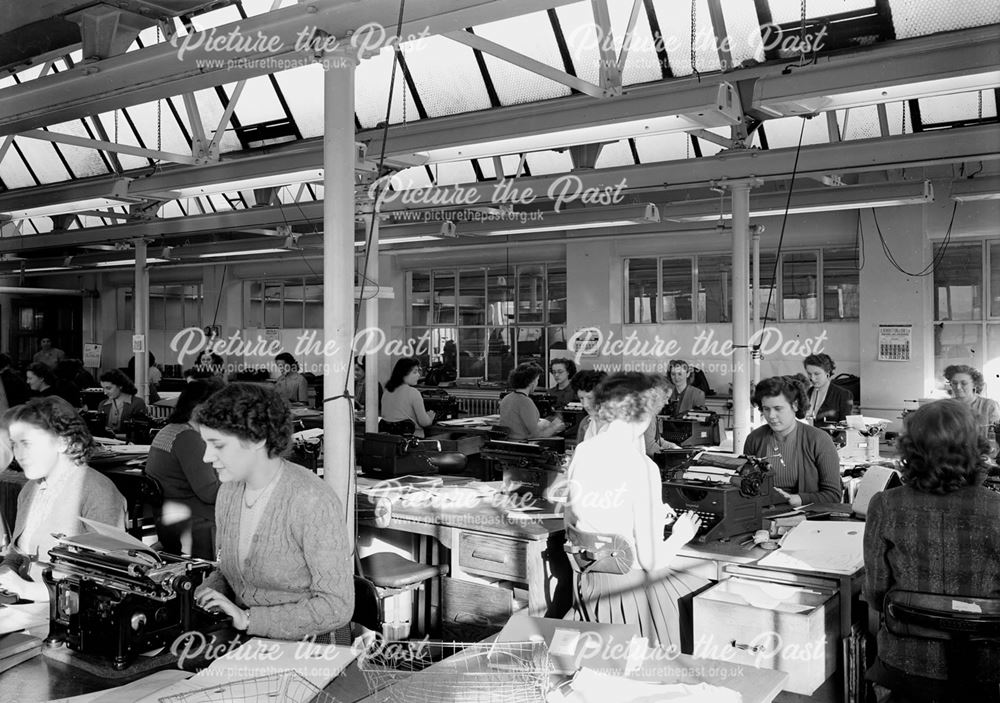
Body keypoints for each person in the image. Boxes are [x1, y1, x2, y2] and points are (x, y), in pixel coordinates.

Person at [193, 383, 353, 640]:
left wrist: (248, 619)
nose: (206, 457)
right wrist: (204, 594)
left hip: (313, 646)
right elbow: (226, 570)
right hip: (251, 639)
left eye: (218, 445)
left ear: (257, 439)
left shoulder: (311, 499)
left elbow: (337, 606)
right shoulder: (229, 492)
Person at [864, 400, 1000, 700]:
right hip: (984, 668)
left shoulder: (885, 504)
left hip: (903, 667)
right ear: (976, 448)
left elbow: (875, 595)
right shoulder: (996, 510)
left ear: (910, 449)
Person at [565, 372, 706, 651]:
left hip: (589, 585)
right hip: (630, 594)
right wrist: (680, 534)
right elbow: (653, 561)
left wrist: (650, 512)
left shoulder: (583, 451)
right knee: (706, 590)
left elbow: (578, 516)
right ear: (645, 415)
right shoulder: (642, 467)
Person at [0, 397, 126, 601]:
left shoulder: (99, 492)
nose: (18, 455)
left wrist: (27, 590)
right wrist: (6, 571)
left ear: (63, 442)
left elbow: (107, 579)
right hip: (24, 602)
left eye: (27, 443)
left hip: (68, 615)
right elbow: (18, 551)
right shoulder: (31, 489)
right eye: (15, 445)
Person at [145, 378, 225, 560]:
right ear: (199, 409)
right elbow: (210, 493)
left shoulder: (169, 430)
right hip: (196, 522)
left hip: (169, 519)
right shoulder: (189, 439)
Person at [743, 375, 842, 506]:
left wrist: (798, 499)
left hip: (806, 517)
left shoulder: (819, 440)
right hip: (763, 515)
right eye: (766, 409)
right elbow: (745, 487)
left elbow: (833, 495)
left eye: (778, 409)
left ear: (795, 405)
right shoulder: (754, 439)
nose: (771, 416)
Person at [498, 363, 565, 440]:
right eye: (537, 380)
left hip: (508, 441)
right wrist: (555, 426)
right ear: (531, 382)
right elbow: (537, 434)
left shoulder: (506, 398)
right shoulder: (525, 402)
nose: (537, 383)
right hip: (522, 444)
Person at [379, 358, 435, 437]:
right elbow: (424, 422)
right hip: (413, 442)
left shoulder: (387, 391)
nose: (418, 375)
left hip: (391, 441)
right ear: (403, 373)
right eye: (414, 372)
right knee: (451, 436)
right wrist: (430, 417)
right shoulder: (414, 393)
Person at [944, 364, 1000, 430]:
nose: (958, 387)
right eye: (954, 383)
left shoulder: (989, 406)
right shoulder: (945, 407)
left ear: (975, 384)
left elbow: (995, 434)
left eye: (964, 383)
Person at [802, 353, 852, 425]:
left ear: (827, 373)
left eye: (817, 374)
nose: (812, 378)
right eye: (809, 374)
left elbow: (845, 428)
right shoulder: (806, 393)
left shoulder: (843, 395)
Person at [98, 369, 148, 435]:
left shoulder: (137, 403)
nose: (105, 392)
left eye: (108, 388)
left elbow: (138, 433)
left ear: (120, 386)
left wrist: (114, 435)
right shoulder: (103, 404)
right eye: (103, 388)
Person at [571, 369, 607, 443]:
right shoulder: (585, 423)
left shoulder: (621, 423)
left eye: (590, 398)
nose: (585, 404)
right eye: (581, 398)